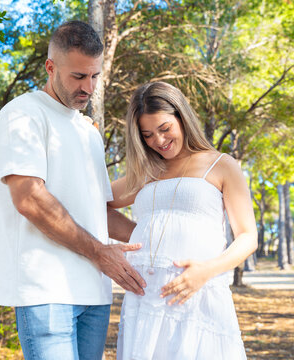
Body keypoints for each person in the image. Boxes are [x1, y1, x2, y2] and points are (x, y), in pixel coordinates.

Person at [0, 21, 146, 360]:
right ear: (51, 67)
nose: (88, 88)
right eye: (78, 77)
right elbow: (29, 198)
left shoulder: (88, 131)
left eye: (95, 77)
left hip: (95, 291)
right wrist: (100, 253)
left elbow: (99, 210)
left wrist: (158, 239)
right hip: (46, 290)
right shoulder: (23, 115)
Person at [109, 81, 258, 359]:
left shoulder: (221, 165)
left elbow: (248, 236)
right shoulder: (147, 171)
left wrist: (206, 271)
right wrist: (144, 239)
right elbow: (96, 205)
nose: (159, 141)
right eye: (147, 135)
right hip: (146, 298)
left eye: (165, 128)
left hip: (197, 294)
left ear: (182, 116)